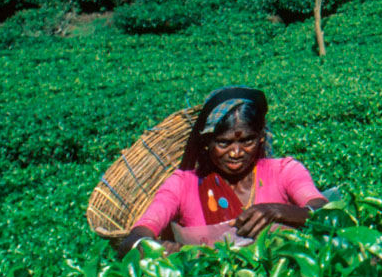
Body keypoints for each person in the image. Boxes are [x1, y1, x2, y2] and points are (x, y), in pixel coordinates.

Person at [116, 87, 326, 256]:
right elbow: (134, 238)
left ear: (261, 137)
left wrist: (279, 211)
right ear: (207, 143)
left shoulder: (284, 172)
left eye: (247, 141)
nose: (236, 153)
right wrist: (152, 248)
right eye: (223, 143)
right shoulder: (182, 185)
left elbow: (325, 211)